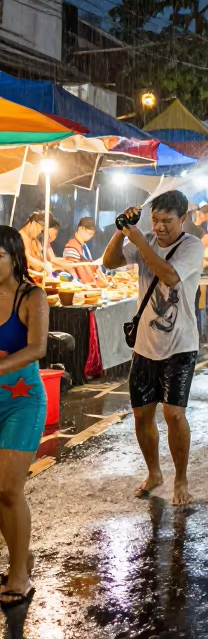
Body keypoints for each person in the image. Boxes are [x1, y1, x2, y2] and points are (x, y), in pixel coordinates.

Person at [102, 191, 205, 506]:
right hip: (145, 347)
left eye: (167, 221)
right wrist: (121, 231)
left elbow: (170, 275)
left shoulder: (192, 246)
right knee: (141, 416)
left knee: (174, 415)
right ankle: (154, 473)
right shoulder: (143, 239)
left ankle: (181, 478)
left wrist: (141, 241)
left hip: (181, 346)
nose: (159, 227)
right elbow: (109, 262)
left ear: (182, 219)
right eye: (155, 220)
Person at [0, 227, 48, 607]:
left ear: (15, 257)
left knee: (9, 488)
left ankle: (19, 574)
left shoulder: (32, 296)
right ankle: (21, 557)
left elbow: (37, 348)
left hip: (23, 401)